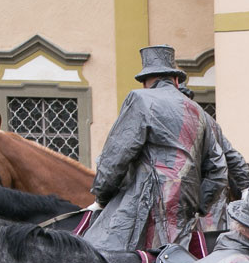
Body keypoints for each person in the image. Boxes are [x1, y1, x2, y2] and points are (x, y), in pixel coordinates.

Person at [85, 45, 227, 252]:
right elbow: (218, 170)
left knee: (93, 252)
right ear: (176, 80)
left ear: (145, 82)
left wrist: (102, 196)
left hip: (145, 202)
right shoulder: (198, 111)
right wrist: (197, 205)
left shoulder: (140, 99)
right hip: (182, 208)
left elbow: (115, 156)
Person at [178, 85, 249, 236]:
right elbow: (233, 157)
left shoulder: (198, 121)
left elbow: (231, 157)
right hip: (208, 202)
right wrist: (245, 188)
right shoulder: (206, 119)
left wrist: (245, 189)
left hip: (197, 200)